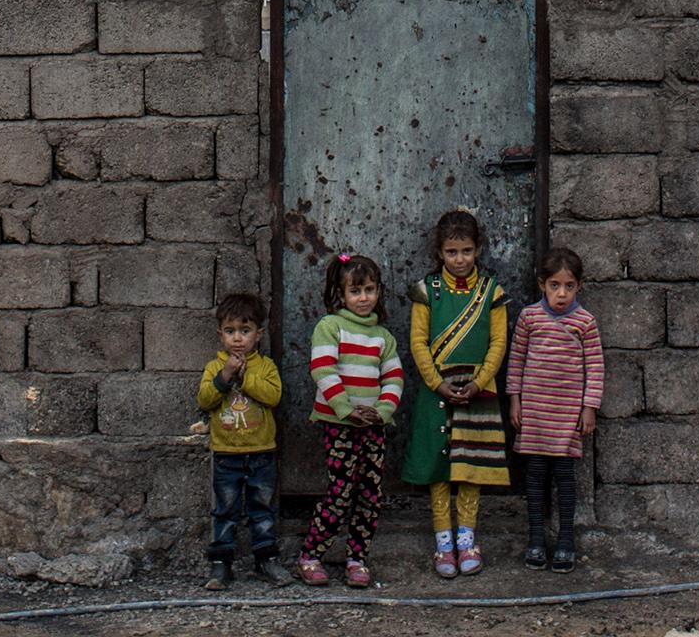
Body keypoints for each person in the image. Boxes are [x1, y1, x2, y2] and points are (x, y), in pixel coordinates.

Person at [403, 208, 509, 578]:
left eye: (466, 251)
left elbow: (498, 342)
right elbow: (418, 342)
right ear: (439, 253)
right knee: (440, 467)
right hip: (438, 392)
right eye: (451, 252)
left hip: (478, 391)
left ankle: (467, 540)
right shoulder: (426, 291)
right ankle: (443, 543)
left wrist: (480, 382)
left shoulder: (491, 292)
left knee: (470, 466)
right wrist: (437, 382)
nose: (459, 259)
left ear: (477, 249)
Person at [297, 252, 403, 589]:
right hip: (340, 426)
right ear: (341, 295)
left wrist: (383, 411)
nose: (363, 298)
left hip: (373, 428)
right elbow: (323, 369)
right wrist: (345, 409)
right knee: (340, 492)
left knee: (369, 494)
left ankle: (357, 558)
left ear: (378, 292)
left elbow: (395, 378)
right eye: (355, 292)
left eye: (370, 290)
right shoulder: (330, 327)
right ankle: (312, 554)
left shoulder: (383, 338)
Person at [505, 246, 604, 572]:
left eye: (569, 286)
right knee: (534, 477)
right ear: (542, 284)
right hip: (534, 412)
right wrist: (515, 399)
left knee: (564, 477)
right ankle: (535, 538)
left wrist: (589, 408)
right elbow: (516, 360)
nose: (561, 294)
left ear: (580, 286)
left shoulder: (585, 322)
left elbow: (595, 368)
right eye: (554, 286)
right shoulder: (529, 318)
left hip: (566, 415)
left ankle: (565, 541)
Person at [195, 291, 288, 589]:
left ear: (258, 334)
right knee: (225, 510)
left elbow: (273, 396)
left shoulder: (265, 367)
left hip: (261, 453)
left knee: (262, 509)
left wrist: (245, 377)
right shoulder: (214, 368)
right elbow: (205, 400)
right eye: (231, 331)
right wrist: (224, 377)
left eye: (245, 331)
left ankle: (266, 560)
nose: (238, 339)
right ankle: (221, 565)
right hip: (226, 454)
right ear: (220, 334)